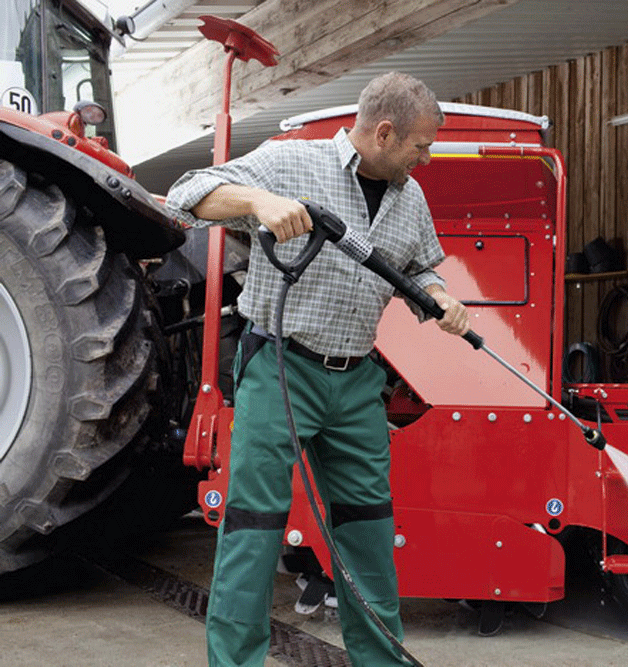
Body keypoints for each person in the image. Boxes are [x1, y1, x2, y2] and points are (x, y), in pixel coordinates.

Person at [165, 71, 468, 667]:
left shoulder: (410, 196)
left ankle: (380, 659)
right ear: (384, 133)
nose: (426, 158)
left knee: (369, 530)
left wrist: (441, 295)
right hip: (282, 365)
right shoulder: (290, 162)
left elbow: (421, 269)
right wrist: (257, 200)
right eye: (421, 145)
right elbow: (185, 194)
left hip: (358, 380)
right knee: (254, 527)